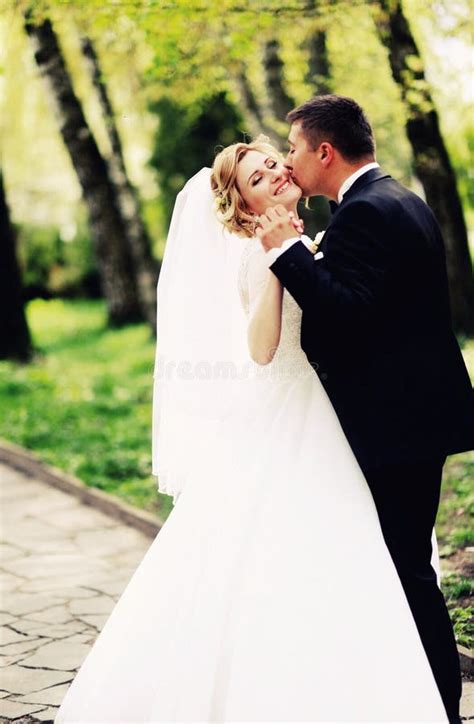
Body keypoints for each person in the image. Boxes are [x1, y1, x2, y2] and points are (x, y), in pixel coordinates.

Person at [54, 136, 448, 722]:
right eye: (259, 179)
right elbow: (263, 350)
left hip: (340, 413)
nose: (274, 175)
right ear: (244, 204)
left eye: (272, 164)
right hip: (286, 412)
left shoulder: (327, 234)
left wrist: (295, 249)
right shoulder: (254, 254)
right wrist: (275, 264)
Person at [257, 94, 474, 724]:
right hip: (416, 420)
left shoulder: (364, 215)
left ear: (324, 151)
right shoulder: (397, 199)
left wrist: (287, 255)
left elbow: (346, 314)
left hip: (395, 427)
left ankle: (438, 707)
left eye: (293, 147)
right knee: (405, 566)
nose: (289, 160)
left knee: (406, 571)